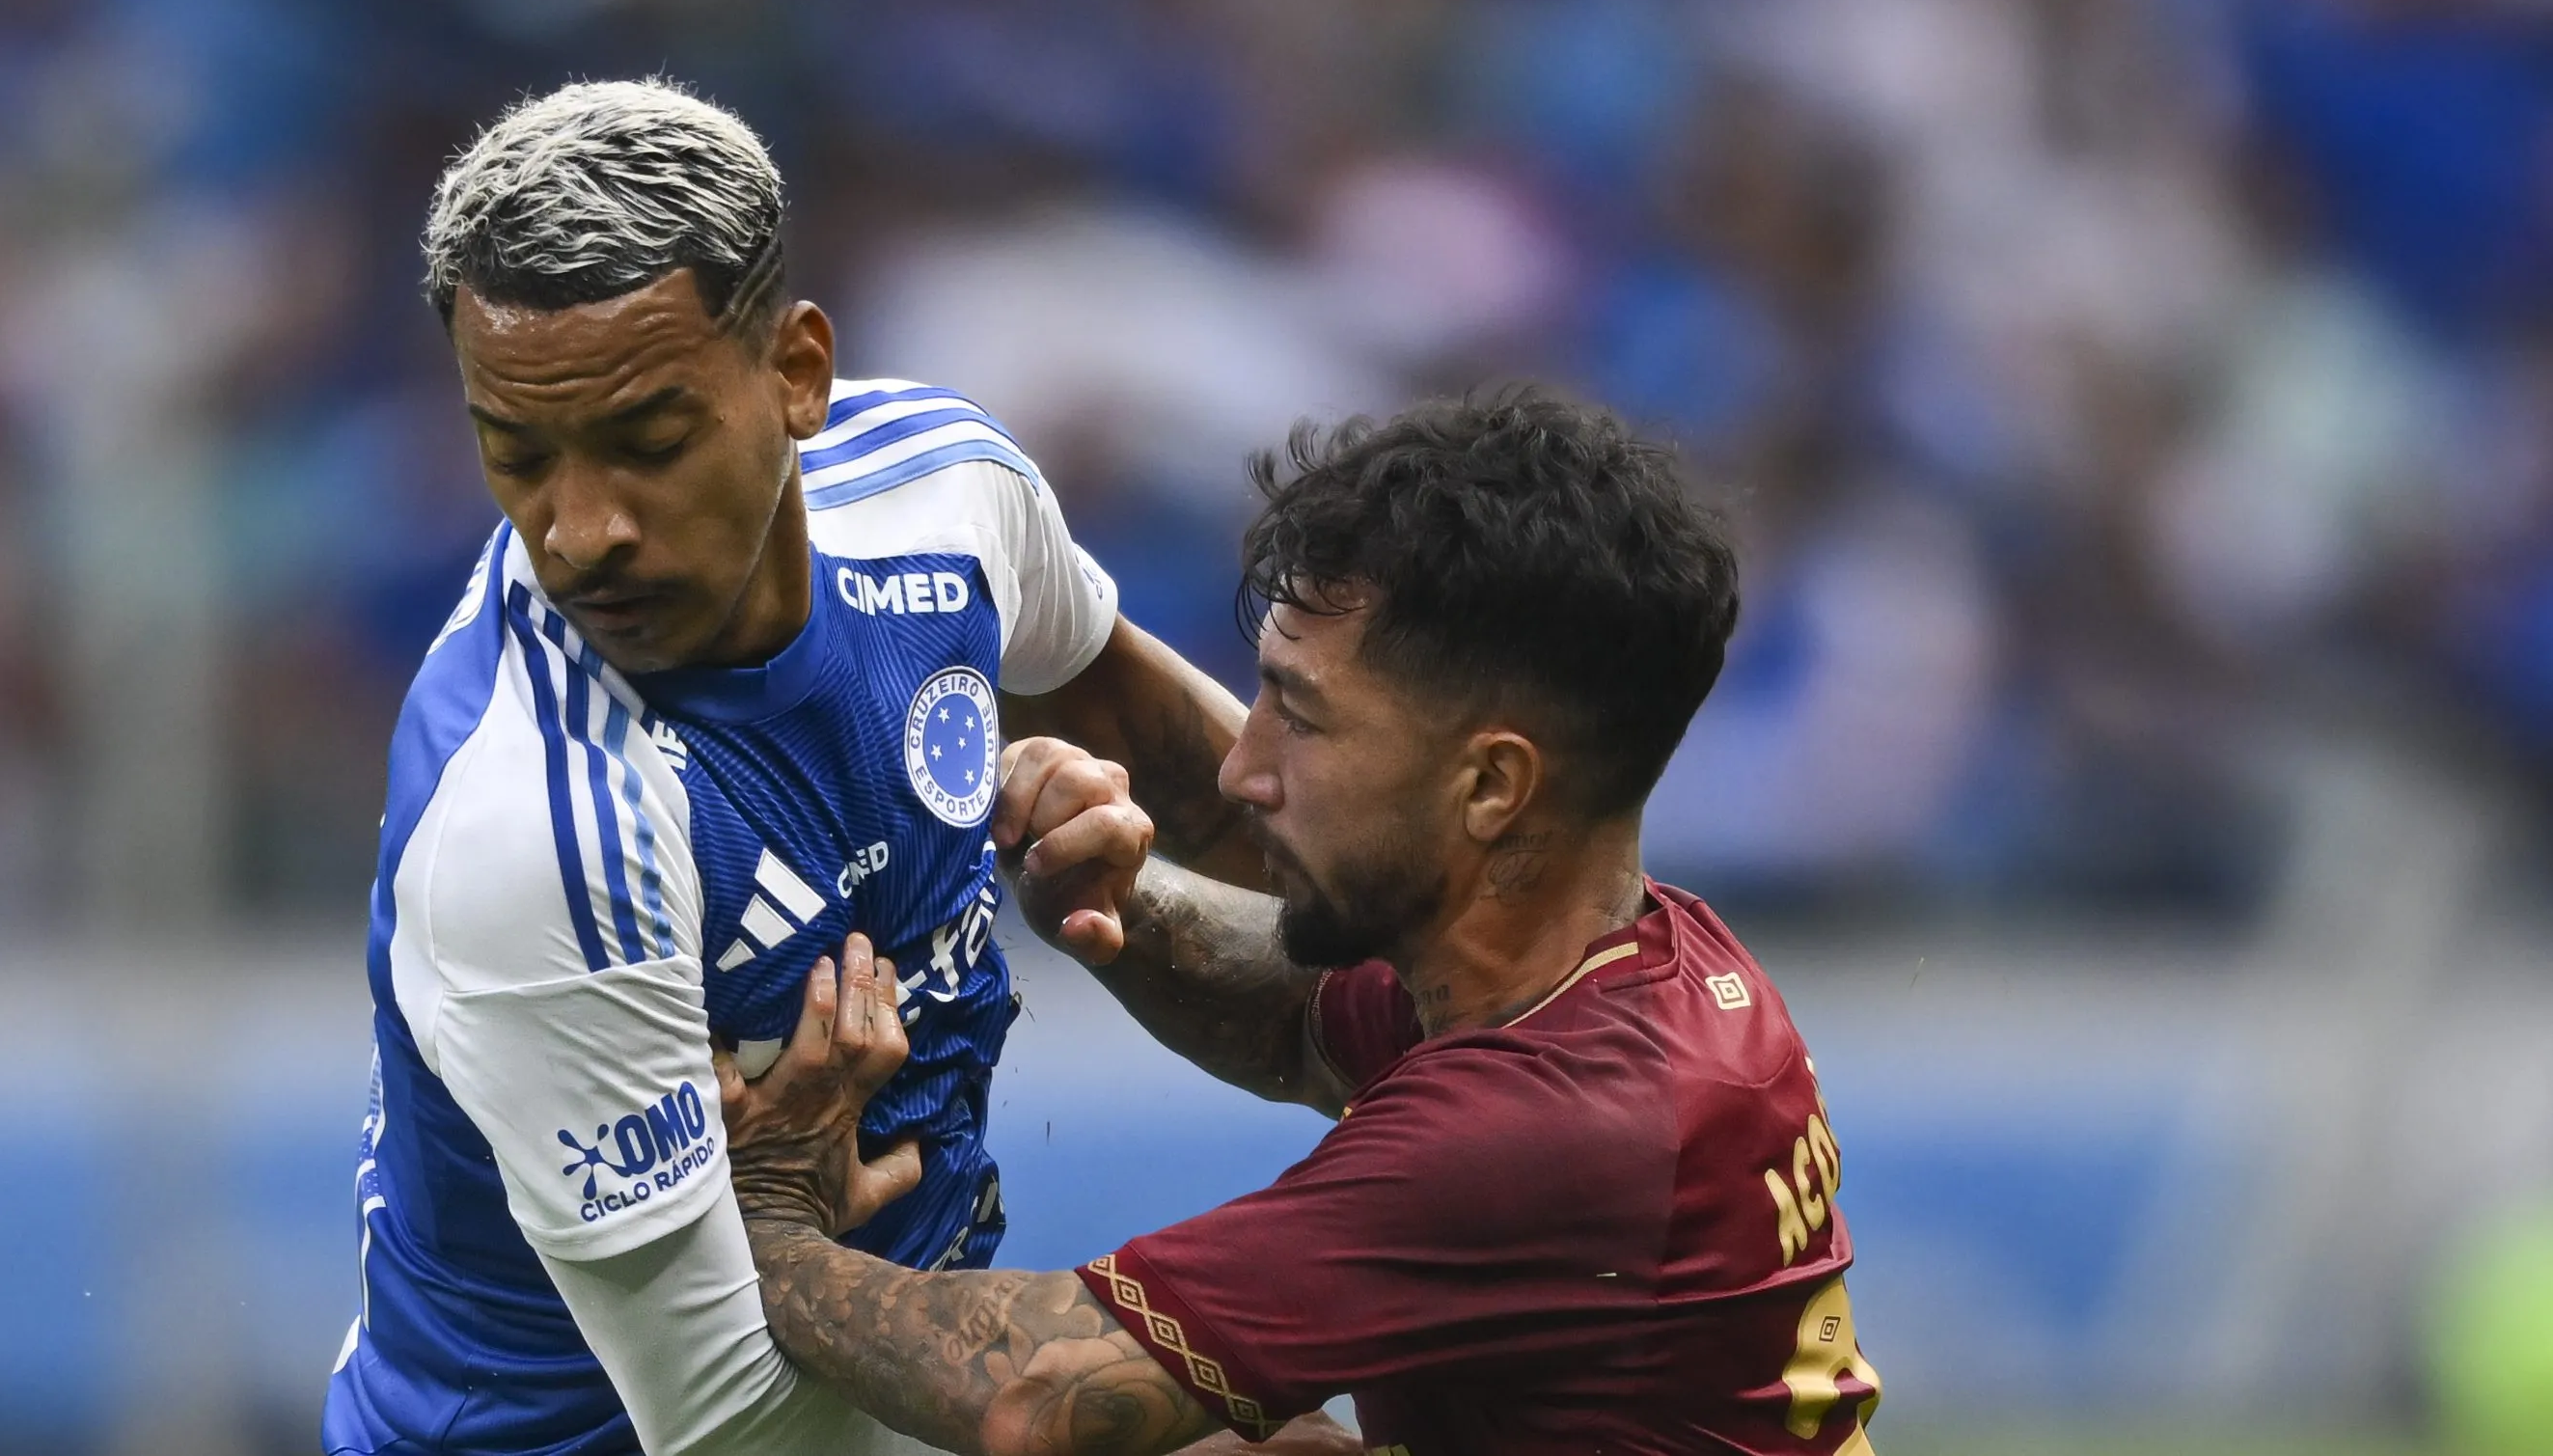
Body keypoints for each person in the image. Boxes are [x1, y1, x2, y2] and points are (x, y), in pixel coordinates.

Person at [320, 78, 1271, 1456]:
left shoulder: (944, 493)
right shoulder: (538, 827)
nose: (580, 531)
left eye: (649, 443)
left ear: (798, 372)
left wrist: (1457, 993)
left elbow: (1213, 779)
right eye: (514, 455)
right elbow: (737, 1438)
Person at [722, 386, 1884, 1455]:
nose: (1241, 771)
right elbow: (1294, 1022)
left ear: (1491, 787)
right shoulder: (1635, 971)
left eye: (1303, 718)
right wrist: (1110, 891)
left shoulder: (1541, 1134)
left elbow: (1033, 1394)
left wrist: (762, 1217)